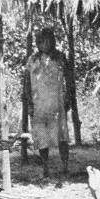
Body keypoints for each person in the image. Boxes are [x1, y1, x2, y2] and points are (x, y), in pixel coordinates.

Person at [23, 27, 70, 180]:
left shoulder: (60, 58)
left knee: (62, 136)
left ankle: (65, 166)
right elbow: (27, 81)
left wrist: (68, 97)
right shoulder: (32, 59)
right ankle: (45, 167)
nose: (44, 44)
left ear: (52, 41)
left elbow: (69, 79)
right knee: (42, 137)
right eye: (41, 41)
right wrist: (29, 101)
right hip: (39, 104)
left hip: (57, 103)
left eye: (47, 41)